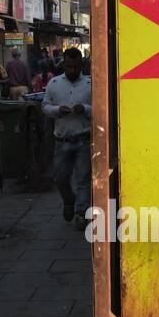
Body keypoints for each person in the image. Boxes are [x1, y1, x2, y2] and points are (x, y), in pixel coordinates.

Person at [41, 47, 92, 230]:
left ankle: (81, 213)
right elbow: (45, 106)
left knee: (83, 179)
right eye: (69, 66)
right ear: (64, 64)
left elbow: (100, 110)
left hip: (83, 139)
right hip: (62, 140)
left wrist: (85, 109)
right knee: (61, 178)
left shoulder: (90, 84)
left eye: (75, 67)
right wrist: (57, 111)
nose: (72, 70)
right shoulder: (54, 84)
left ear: (80, 65)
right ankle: (69, 201)